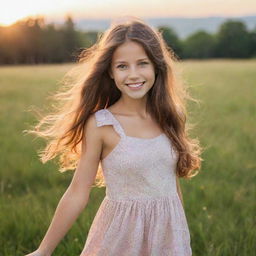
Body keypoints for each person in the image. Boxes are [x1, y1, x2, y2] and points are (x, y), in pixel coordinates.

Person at [25, 16, 202, 256]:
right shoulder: (102, 125)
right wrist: (43, 251)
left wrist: (179, 237)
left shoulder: (170, 116)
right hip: (122, 237)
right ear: (109, 71)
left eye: (142, 63)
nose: (133, 74)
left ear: (156, 66)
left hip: (168, 236)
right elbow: (78, 192)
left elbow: (171, 184)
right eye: (122, 66)